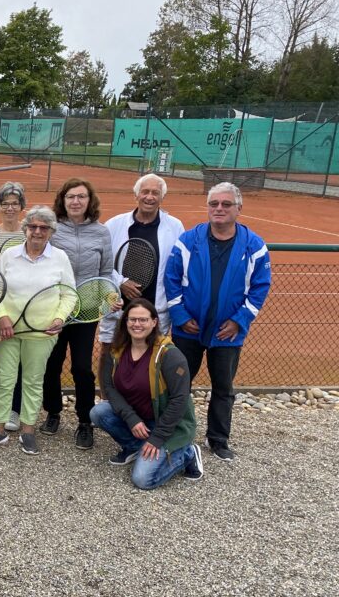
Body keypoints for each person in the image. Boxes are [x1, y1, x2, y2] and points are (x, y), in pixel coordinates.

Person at [165, 182, 271, 462]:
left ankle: (219, 439)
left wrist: (239, 321)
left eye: (226, 204)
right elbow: (171, 279)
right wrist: (180, 315)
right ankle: (176, 431)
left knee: (223, 387)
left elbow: (260, 287)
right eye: (214, 204)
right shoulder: (188, 240)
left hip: (227, 332)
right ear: (208, 207)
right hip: (188, 328)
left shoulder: (254, 246)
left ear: (239, 208)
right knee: (179, 384)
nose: (219, 209)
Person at [0, 206, 76, 455]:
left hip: (42, 333)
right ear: (25, 229)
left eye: (43, 228)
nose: (37, 231)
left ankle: (28, 432)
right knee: (4, 380)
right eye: (33, 226)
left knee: (33, 382)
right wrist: (2, 317)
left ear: (51, 231)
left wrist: (59, 317)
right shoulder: (10, 255)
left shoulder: (60, 258)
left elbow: (68, 294)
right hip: (8, 332)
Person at [91, 299, 203, 489]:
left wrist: (157, 438)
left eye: (143, 320)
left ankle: (188, 453)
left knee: (143, 480)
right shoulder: (116, 350)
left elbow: (179, 400)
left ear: (154, 322)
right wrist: (131, 418)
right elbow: (109, 388)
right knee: (98, 412)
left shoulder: (169, 355)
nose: (137, 324)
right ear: (125, 322)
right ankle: (135, 447)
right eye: (132, 319)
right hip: (139, 420)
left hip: (167, 425)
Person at [40, 178, 113, 449]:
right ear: (63, 199)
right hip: (55, 308)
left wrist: (109, 295)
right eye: (71, 196)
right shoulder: (53, 229)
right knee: (52, 364)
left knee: (82, 367)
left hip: (88, 311)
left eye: (81, 197)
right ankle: (53, 412)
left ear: (89, 200)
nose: (76, 201)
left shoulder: (102, 232)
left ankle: (85, 420)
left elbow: (106, 272)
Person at [98, 173, 185, 348]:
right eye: (145, 192)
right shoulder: (114, 224)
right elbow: (100, 263)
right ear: (136, 195)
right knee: (111, 360)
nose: (149, 197)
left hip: (156, 312)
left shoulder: (175, 227)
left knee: (149, 364)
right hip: (117, 311)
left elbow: (178, 268)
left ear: (162, 197)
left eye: (155, 193)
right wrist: (120, 282)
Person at [0, 181, 26, 432]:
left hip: (24, 309)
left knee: (20, 361)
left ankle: (14, 410)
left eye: (14, 203)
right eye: (5, 203)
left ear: (22, 206)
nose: (10, 208)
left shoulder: (29, 232)